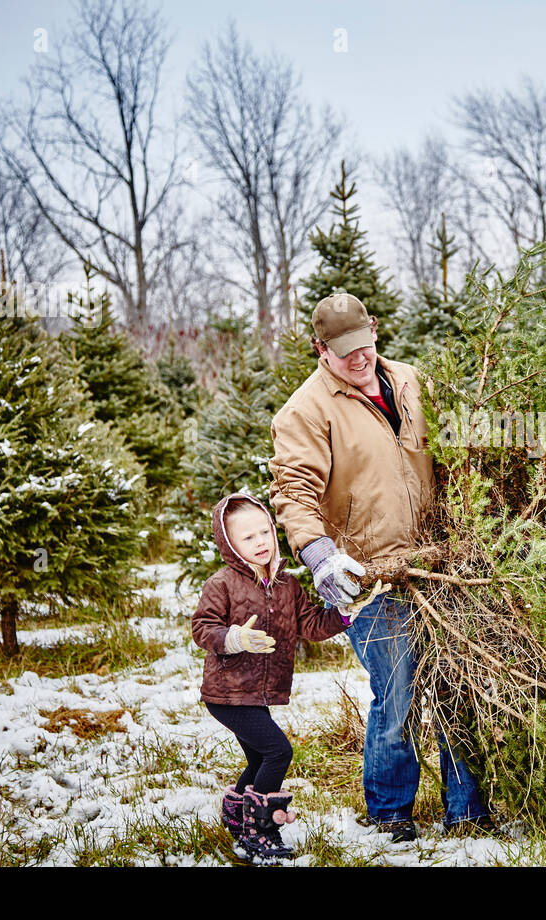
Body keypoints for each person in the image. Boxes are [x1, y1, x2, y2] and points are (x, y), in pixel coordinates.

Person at [267, 291, 492, 842]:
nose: (360, 358)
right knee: (398, 690)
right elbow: (293, 490)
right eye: (345, 352)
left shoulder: (414, 382)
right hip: (368, 575)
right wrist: (320, 556)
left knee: (457, 683)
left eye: (365, 344)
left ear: (374, 329)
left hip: (441, 564)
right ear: (320, 350)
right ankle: (392, 811)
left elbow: (455, 451)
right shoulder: (305, 411)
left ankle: (467, 809)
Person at [190, 491, 383, 864]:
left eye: (264, 532)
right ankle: (258, 832)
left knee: (260, 758)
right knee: (278, 751)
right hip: (227, 694)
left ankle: (238, 815)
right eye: (247, 537)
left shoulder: (287, 585)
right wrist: (234, 638)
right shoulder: (223, 583)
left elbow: (310, 625)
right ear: (229, 543)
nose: (260, 542)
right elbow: (203, 628)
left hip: (259, 694)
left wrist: (346, 613)